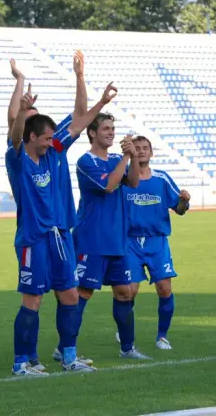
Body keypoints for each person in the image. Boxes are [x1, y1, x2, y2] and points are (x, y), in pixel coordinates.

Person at [6, 81, 117, 376]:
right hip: (33, 238)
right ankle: (20, 363)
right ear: (32, 137)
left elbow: (79, 121)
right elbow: (16, 135)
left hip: (62, 236)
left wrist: (100, 103)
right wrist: (20, 112)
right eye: (45, 139)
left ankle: (69, 357)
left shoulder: (54, 150)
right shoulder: (17, 158)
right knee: (33, 299)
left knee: (69, 296)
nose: (50, 142)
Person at [74, 113, 151, 360]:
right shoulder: (86, 161)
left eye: (113, 128)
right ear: (92, 133)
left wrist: (132, 158)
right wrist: (128, 156)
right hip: (92, 239)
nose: (111, 132)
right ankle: (65, 347)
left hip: (116, 239)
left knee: (125, 292)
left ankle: (127, 348)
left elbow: (134, 182)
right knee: (83, 293)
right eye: (106, 128)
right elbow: (109, 186)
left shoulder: (118, 158)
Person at [116, 135, 191, 351]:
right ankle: (125, 330)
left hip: (157, 242)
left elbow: (179, 210)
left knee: (164, 288)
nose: (141, 151)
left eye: (145, 148)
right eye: (137, 148)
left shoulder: (162, 179)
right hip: (129, 242)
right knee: (129, 291)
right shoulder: (124, 179)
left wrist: (184, 201)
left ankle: (162, 336)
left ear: (151, 152)